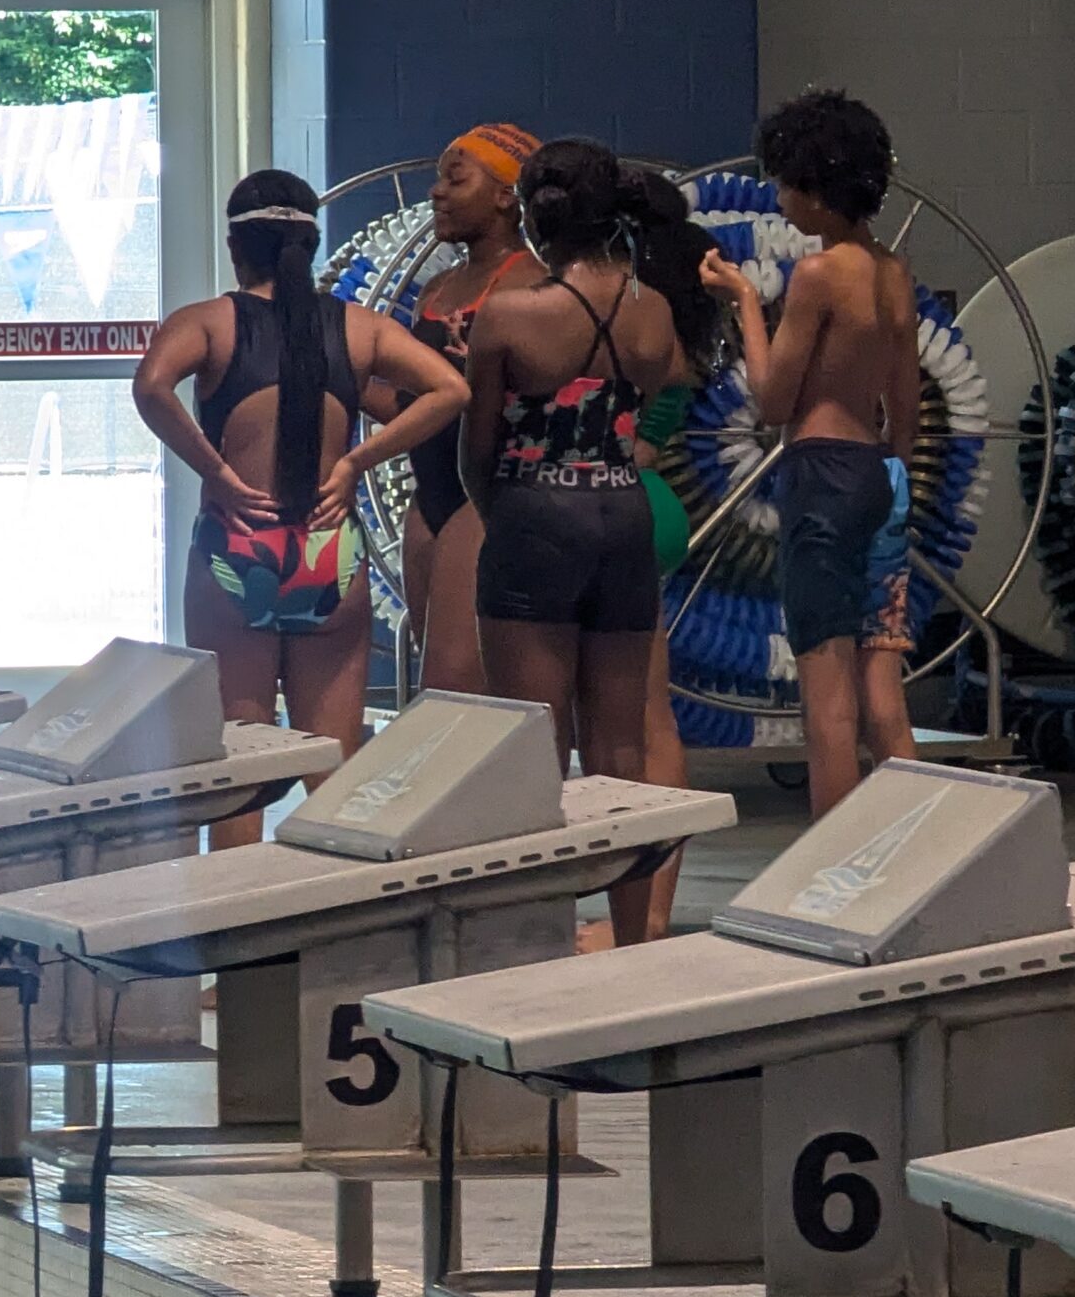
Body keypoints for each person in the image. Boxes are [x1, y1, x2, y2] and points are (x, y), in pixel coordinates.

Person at [133, 170, 468, 843]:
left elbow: (151, 387)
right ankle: (334, 924)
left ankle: (242, 936)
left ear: (235, 246)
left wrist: (219, 474)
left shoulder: (208, 323)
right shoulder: (358, 328)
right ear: (312, 246)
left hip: (236, 552)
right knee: (332, 768)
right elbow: (450, 390)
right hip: (328, 552)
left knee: (238, 768)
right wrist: (355, 462)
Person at [699, 88, 920, 820]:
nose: (780, 199)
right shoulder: (893, 271)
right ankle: (928, 848)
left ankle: (838, 872)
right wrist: (890, 472)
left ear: (818, 191)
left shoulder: (820, 276)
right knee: (883, 696)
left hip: (821, 476)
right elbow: (907, 402)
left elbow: (771, 401)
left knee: (826, 704)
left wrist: (742, 305)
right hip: (882, 478)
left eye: (787, 184)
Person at [461, 137, 676, 796]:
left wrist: (511, 519)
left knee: (535, 741)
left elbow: (478, 453)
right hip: (624, 509)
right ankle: (635, 905)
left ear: (531, 217)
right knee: (621, 745)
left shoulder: (507, 315)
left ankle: (546, 903)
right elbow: (652, 409)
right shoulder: (653, 310)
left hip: (536, 508)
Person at [601, 164, 736, 944]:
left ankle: (611, 912)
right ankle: (648, 915)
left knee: (596, 728)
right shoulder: (682, 311)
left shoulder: (616, 308)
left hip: (611, 498)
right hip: (659, 509)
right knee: (654, 721)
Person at [399, 124, 540, 692]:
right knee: (441, 686)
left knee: (452, 688)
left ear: (507, 196)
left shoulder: (532, 286)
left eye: (456, 179)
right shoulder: (438, 288)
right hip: (428, 495)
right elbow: (415, 406)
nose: (437, 192)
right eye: (438, 179)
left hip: (485, 497)